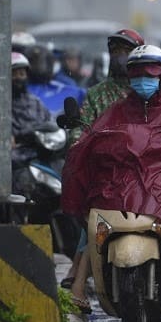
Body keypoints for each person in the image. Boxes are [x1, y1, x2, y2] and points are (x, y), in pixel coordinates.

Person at [62, 45, 161, 314]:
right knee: (92, 212)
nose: (144, 81)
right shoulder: (117, 109)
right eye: (138, 75)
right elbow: (96, 136)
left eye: (151, 74)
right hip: (120, 183)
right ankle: (80, 281)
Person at [61, 28, 145, 296]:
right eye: (115, 51)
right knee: (97, 213)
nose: (119, 57)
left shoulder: (148, 93)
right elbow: (82, 128)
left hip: (147, 170)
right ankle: (79, 281)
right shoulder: (98, 94)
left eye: (126, 51)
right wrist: (78, 143)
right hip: (109, 170)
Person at [10, 52, 52, 170]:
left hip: (39, 154)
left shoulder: (35, 102)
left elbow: (49, 122)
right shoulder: (0, 106)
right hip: (16, 159)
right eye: (14, 74)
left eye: (22, 74)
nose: (18, 78)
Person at [23, 43, 87, 116]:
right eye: (33, 62)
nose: (37, 67)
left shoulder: (69, 88)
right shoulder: (18, 91)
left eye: (40, 63)